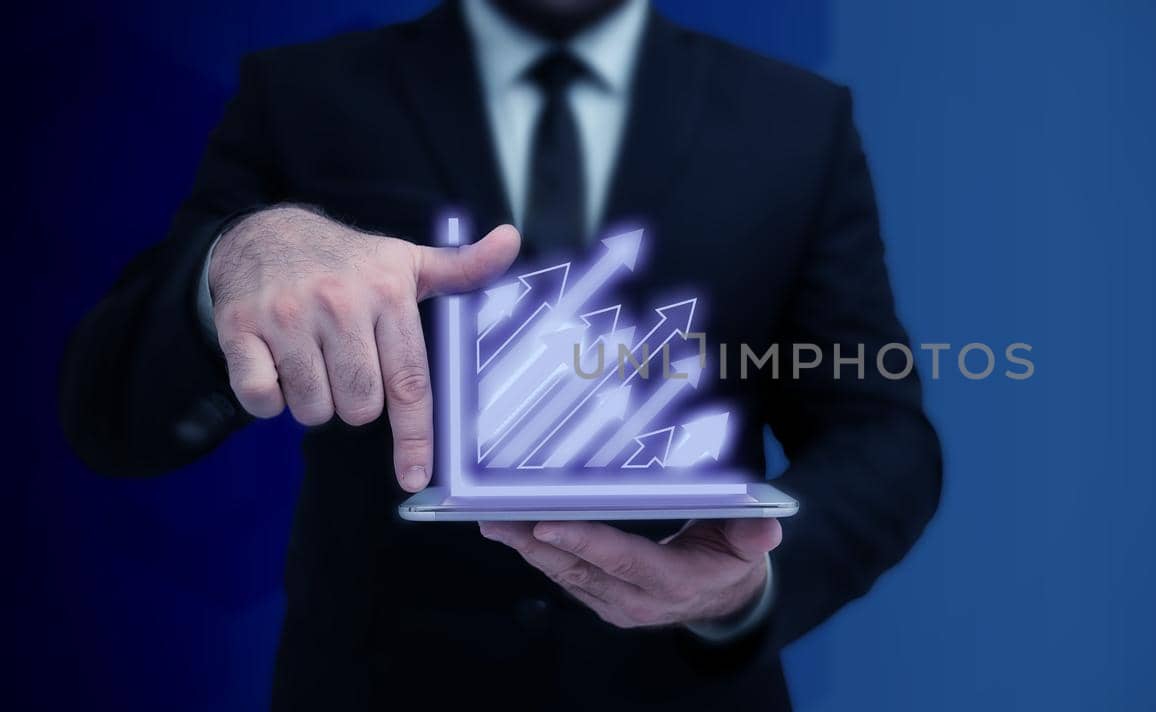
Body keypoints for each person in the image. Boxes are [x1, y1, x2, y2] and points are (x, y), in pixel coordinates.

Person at [58, 0, 942, 708]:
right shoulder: (301, 94)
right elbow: (111, 415)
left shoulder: (798, 120)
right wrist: (239, 261)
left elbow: (881, 433)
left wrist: (742, 591)